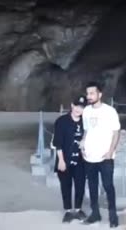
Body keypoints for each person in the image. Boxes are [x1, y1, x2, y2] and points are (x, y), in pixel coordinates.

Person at [80, 82, 121, 228]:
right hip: (89, 156)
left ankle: (113, 215)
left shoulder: (110, 111)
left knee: (108, 185)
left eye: (92, 93)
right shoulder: (86, 111)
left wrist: (111, 151)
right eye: (87, 93)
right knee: (92, 185)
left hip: (105, 156)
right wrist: (83, 143)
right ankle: (95, 213)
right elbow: (86, 131)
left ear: (100, 94)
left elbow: (116, 132)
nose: (89, 96)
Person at [53, 95, 88, 223]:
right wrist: (61, 161)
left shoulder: (85, 121)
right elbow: (58, 143)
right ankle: (68, 211)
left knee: (80, 185)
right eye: (77, 106)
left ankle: (78, 209)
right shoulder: (61, 121)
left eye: (82, 107)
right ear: (72, 105)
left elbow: (89, 134)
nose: (79, 109)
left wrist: (84, 140)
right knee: (65, 186)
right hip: (65, 160)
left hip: (80, 161)